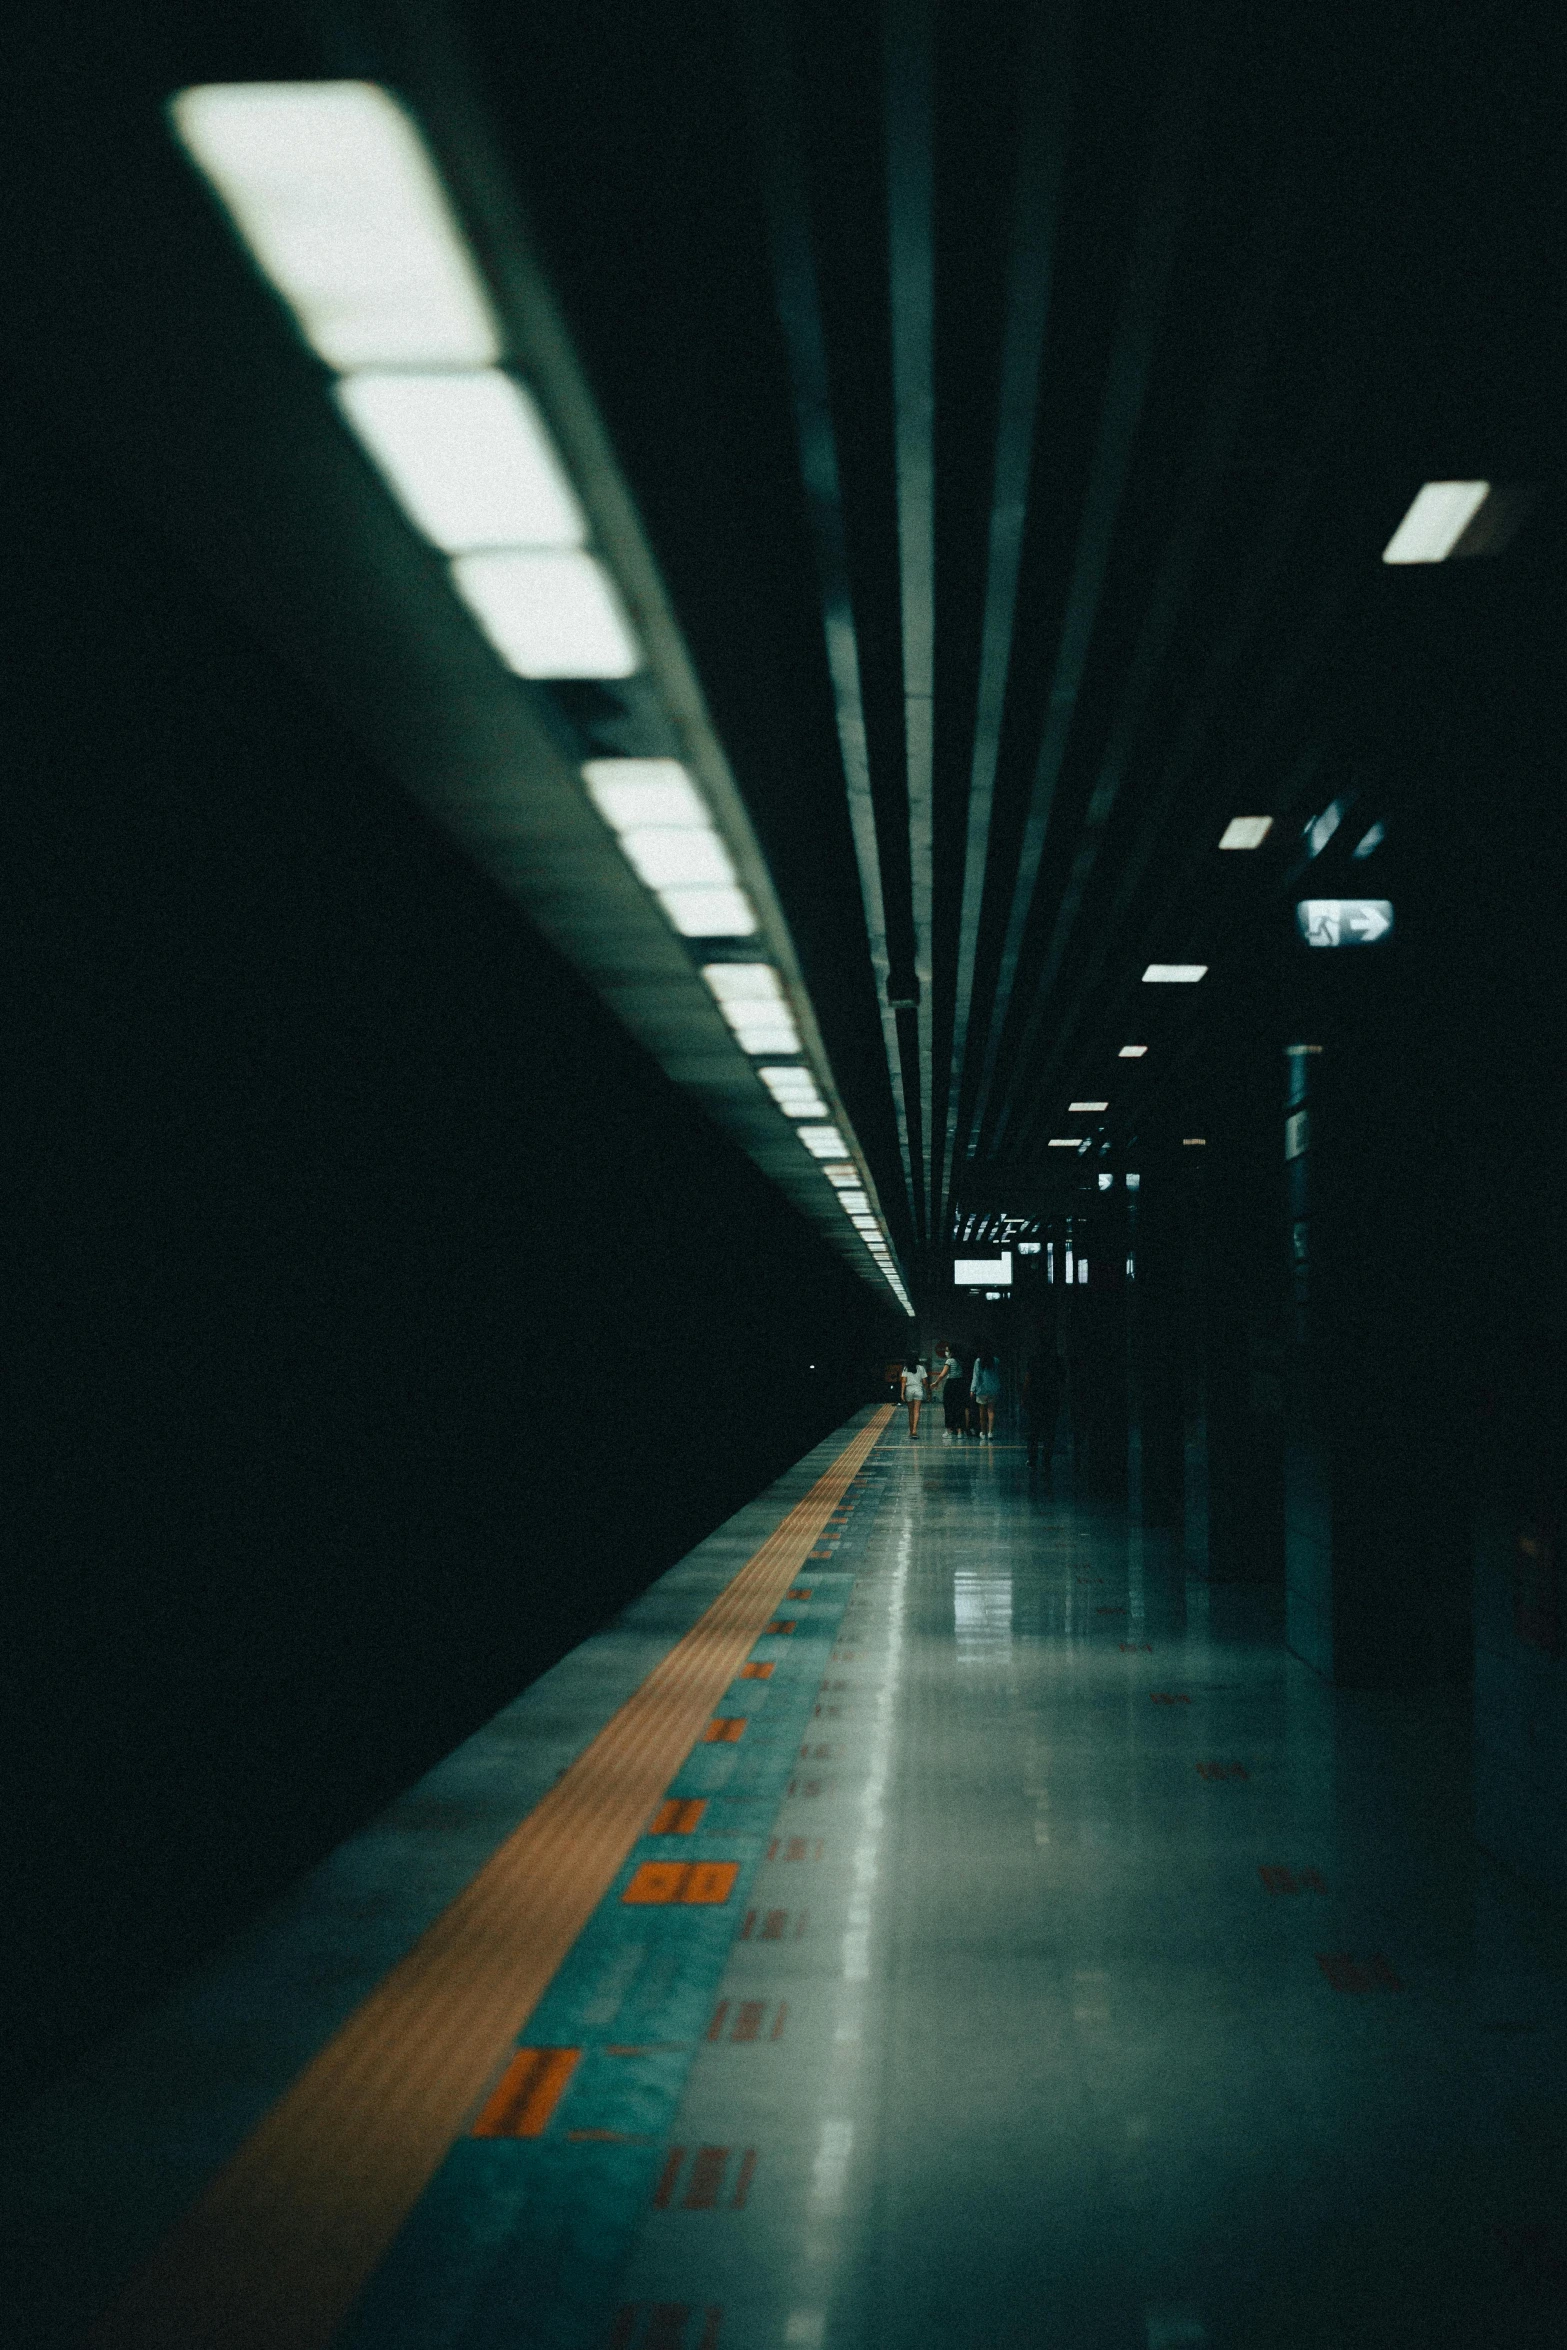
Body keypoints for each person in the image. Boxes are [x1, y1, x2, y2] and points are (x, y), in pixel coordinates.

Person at [1022, 1326, 1063, 1483]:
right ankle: (1047, 1459)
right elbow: (1061, 1382)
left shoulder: (1033, 1360)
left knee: (1033, 1431)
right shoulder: (1057, 1360)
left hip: (1035, 1399)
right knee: (1049, 1431)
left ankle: (1032, 1459)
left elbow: (1028, 1380)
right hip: (1051, 1399)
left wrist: (1024, 1397)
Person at [970, 1347, 1001, 1441]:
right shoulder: (996, 1360)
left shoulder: (978, 1361)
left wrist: (972, 1389)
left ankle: (983, 1432)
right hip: (993, 1388)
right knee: (991, 1411)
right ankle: (990, 1432)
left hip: (981, 1389)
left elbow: (976, 1375)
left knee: (982, 1412)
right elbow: (997, 1374)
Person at [941, 1343, 970, 1437]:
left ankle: (949, 1430)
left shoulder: (949, 1361)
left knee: (949, 1408)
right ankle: (960, 1431)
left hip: (950, 1385)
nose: (946, 1352)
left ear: (951, 1351)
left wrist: (935, 1383)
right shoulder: (962, 1361)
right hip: (960, 1385)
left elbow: (943, 1374)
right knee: (959, 1408)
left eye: (947, 1350)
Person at [899, 1355, 928, 1438]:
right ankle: (915, 1430)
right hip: (918, 1390)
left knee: (910, 1412)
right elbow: (925, 1381)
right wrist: (927, 1391)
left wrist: (902, 1393)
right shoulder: (921, 1368)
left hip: (909, 1390)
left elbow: (904, 1381)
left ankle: (911, 1431)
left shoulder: (906, 1368)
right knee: (917, 1411)